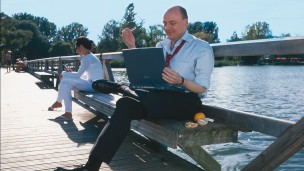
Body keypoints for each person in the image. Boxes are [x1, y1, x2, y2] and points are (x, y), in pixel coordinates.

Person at [56, 6, 214, 171]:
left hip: (185, 102)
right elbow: (148, 72)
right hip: (156, 97)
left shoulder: (201, 48)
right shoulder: (161, 45)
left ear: (185, 22)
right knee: (125, 105)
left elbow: (202, 88)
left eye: (172, 23)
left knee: (130, 95)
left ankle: (120, 87)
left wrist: (181, 80)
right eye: (164, 23)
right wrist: (132, 46)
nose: (167, 27)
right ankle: (91, 167)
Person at [48, 36, 104, 119]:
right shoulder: (90, 56)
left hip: (93, 85)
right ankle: (67, 112)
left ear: (81, 47)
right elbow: (83, 75)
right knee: (65, 83)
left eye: (76, 48)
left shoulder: (86, 58)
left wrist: (64, 73)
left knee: (64, 79)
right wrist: (69, 73)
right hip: (93, 84)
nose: (76, 51)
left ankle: (59, 102)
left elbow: (78, 75)